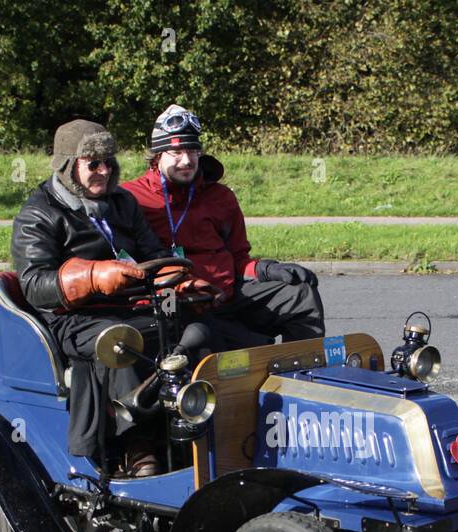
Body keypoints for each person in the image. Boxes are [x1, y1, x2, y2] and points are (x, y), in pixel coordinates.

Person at [11, 119, 222, 477]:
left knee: (197, 332)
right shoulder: (38, 214)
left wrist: (182, 285)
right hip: (71, 319)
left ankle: (197, 425)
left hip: (129, 307)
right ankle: (134, 446)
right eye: (94, 163)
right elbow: (33, 284)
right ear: (67, 166)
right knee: (124, 344)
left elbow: (151, 252)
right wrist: (92, 276)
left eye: (109, 162)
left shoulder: (122, 202)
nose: (104, 171)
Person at [121, 105, 324, 350]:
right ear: (157, 156)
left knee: (299, 295)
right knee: (234, 346)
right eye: (176, 152)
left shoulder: (221, 196)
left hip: (227, 295)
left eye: (193, 150)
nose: (186, 160)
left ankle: (302, 375)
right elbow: (127, 262)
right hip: (175, 300)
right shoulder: (131, 198)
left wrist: (264, 269)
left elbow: (239, 258)